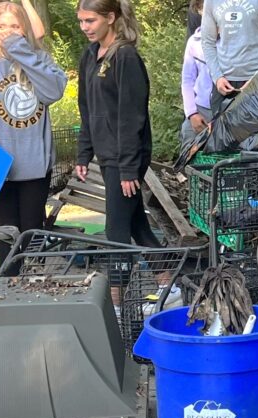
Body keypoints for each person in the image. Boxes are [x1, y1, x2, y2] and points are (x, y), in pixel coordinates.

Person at [75, 0, 179, 315]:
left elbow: (131, 117)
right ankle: (169, 286)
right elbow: (86, 108)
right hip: (106, 155)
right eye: (80, 21)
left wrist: (129, 169)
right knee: (137, 226)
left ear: (111, 17)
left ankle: (116, 306)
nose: (85, 27)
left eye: (90, 20)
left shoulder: (126, 57)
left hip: (126, 158)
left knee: (116, 232)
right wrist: (83, 151)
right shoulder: (90, 56)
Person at [0, 2, 67, 265]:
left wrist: (20, 51)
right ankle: (8, 288)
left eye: (15, 26)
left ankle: (33, 290)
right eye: (1, 26)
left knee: (32, 232)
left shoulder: (39, 59)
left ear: (25, 29)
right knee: (6, 235)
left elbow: (53, 92)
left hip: (34, 165)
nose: (7, 32)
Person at [201, 0, 258, 116]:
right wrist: (217, 77)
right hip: (224, 85)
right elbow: (207, 42)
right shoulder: (211, 2)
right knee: (220, 133)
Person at [180, 0, 212, 144]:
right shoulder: (194, 42)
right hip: (200, 108)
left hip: (229, 110)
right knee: (188, 141)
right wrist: (192, 112)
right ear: (199, 10)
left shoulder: (235, 41)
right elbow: (187, 79)